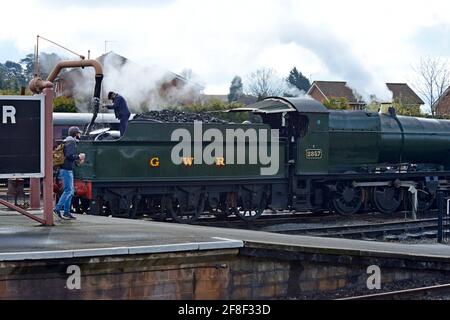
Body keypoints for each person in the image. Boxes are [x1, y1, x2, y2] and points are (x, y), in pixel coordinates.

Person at [53, 126, 85, 220]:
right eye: (78, 133)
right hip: (66, 170)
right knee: (68, 191)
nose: (79, 134)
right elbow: (69, 155)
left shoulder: (68, 140)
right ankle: (57, 209)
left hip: (66, 169)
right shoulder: (71, 142)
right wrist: (79, 157)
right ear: (75, 134)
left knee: (70, 191)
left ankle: (67, 212)